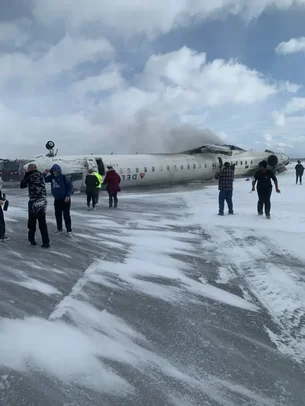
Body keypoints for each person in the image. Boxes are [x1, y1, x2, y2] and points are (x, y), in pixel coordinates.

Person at [20, 163, 50, 248]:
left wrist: (25, 174)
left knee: (32, 221)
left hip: (34, 201)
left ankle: (31, 239)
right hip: (43, 200)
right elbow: (42, 177)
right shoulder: (40, 174)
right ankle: (46, 242)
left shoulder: (29, 175)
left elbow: (22, 185)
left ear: (29, 169)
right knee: (42, 222)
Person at [43, 164, 73, 236]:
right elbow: (43, 179)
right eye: (53, 172)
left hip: (65, 199)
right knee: (58, 215)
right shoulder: (52, 177)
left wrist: (68, 196)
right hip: (57, 199)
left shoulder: (64, 178)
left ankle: (69, 230)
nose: (54, 173)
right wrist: (45, 173)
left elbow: (70, 187)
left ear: (58, 171)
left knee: (66, 215)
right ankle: (59, 229)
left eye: (55, 172)